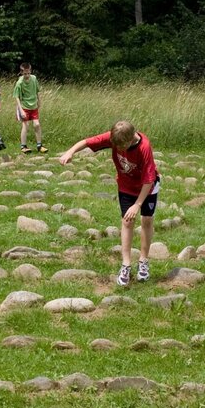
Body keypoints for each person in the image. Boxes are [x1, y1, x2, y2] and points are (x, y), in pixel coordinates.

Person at [58, 121, 159, 286]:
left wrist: (137, 205)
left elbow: (148, 180)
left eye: (121, 147)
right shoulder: (115, 137)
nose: (118, 149)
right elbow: (86, 142)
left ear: (130, 140)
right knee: (127, 221)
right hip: (126, 186)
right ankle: (126, 264)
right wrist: (70, 152)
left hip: (147, 187)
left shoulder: (144, 147)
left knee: (146, 220)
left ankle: (143, 261)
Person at [13, 62, 47, 154]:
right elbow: (16, 97)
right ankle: (23, 146)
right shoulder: (19, 83)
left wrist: (39, 101)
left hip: (33, 106)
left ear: (30, 71)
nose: (27, 75)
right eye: (25, 74)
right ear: (21, 73)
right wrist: (21, 111)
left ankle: (39, 145)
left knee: (37, 124)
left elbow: (37, 90)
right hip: (24, 107)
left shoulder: (34, 78)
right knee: (26, 125)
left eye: (28, 73)